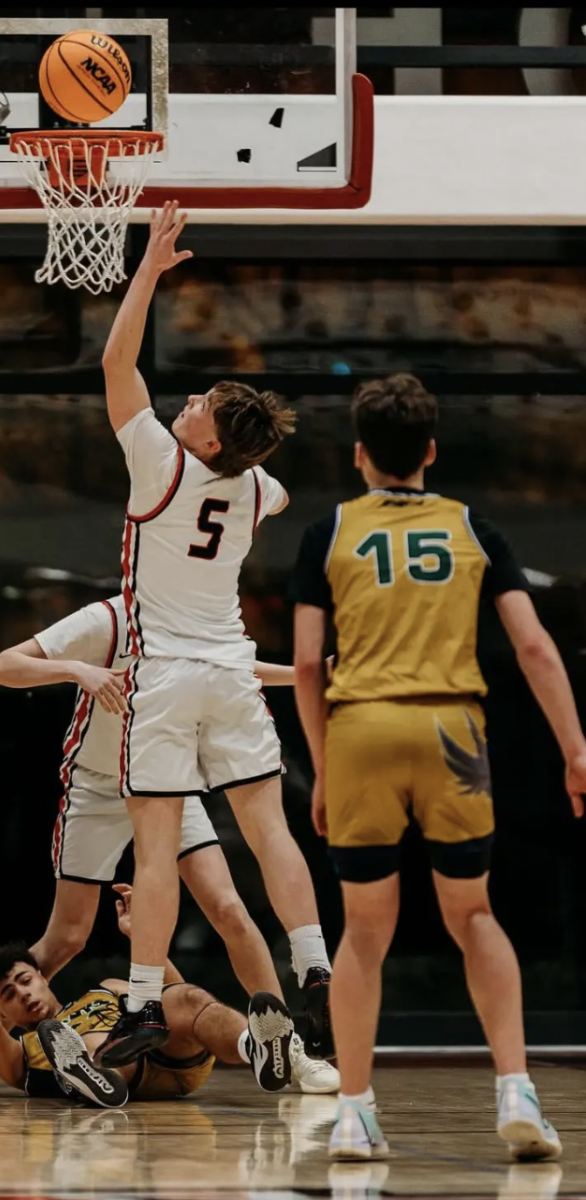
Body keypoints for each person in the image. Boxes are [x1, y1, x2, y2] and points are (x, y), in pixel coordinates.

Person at [291, 374, 586, 1161]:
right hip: (451, 726)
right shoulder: (473, 528)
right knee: (474, 915)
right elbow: (531, 646)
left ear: (359, 455)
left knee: (362, 932)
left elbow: (307, 664)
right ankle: (516, 1090)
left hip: (360, 729)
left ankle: (354, 1112)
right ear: (428, 451)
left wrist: (321, 765)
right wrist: (574, 746)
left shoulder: (327, 533)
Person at [97, 199, 332, 1068]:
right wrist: (240, 435)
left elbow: (117, 357)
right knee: (269, 832)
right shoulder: (253, 491)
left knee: (155, 850)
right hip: (232, 675)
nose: (186, 399)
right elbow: (260, 469)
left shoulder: (160, 464)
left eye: (199, 402)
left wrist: (150, 268)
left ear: (200, 438)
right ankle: (313, 965)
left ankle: (143, 1004)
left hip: (163, 675)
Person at [0, 594, 339, 1096]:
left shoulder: (197, 612)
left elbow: (238, 669)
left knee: (228, 908)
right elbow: (1, 666)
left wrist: (307, 673)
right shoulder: (107, 617)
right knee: (68, 936)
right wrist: (77, 671)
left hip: (164, 780)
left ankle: (289, 1048)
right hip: (99, 785)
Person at [0, 879, 303, 1108]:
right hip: (120, 1066)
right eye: (8, 995)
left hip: (170, 1058)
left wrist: (141, 936)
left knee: (184, 998)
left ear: (43, 977)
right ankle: (95, 1076)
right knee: (83, 1039)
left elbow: (172, 994)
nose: (22, 994)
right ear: (1, 1010)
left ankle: (253, 1048)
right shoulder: (17, 1054)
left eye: (25, 980)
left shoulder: (104, 988)